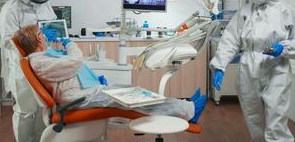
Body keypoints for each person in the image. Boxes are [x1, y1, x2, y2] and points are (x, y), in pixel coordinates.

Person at [13, 24, 208, 124]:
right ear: (36, 39)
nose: (44, 36)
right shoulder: (38, 60)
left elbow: (68, 70)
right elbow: (74, 62)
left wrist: (94, 80)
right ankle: (188, 111)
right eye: (41, 34)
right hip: (79, 99)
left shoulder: (41, 58)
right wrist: (70, 43)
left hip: (85, 93)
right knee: (136, 98)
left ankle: (184, 106)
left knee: (136, 91)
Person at [210, 0, 295, 142]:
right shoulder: (245, 12)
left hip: (276, 68)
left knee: (276, 117)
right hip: (248, 67)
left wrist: (283, 48)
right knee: (253, 116)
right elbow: (230, 40)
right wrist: (219, 66)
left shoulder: (285, 12)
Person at [0, 0, 57, 142]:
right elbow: (6, 41)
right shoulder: (11, 9)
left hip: (44, 64)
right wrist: (32, 39)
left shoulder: (44, 2)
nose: (42, 3)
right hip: (23, 68)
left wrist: (54, 30)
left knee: (43, 108)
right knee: (25, 110)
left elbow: (53, 21)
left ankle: (40, 139)